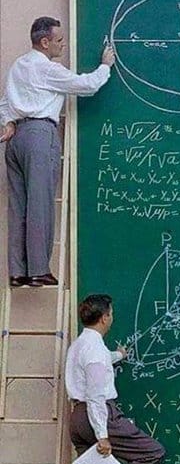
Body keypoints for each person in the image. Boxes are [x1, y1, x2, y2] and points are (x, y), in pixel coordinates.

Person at [0, 17, 115, 288]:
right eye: (59, 40)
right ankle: (38, 270)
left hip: (15, 139)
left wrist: (8, 122)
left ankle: (17, 271)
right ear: (45, 42)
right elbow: (86, 85)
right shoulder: (48, 69)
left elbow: (5, 103)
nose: (62, 45)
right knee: (40, 203)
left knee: (18, 207)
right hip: (39, 135)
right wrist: (105, 66)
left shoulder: (18, 65)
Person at [65, 294, 166, 464]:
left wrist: (119, 355)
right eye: (110, 313)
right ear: (104, 317)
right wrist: (103, 435)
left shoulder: (80, 346)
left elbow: (96, 366)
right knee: (153, 452)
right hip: (99, 416)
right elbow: (97, 396)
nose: (112, 317)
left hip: (77, 417)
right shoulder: (95, 351)